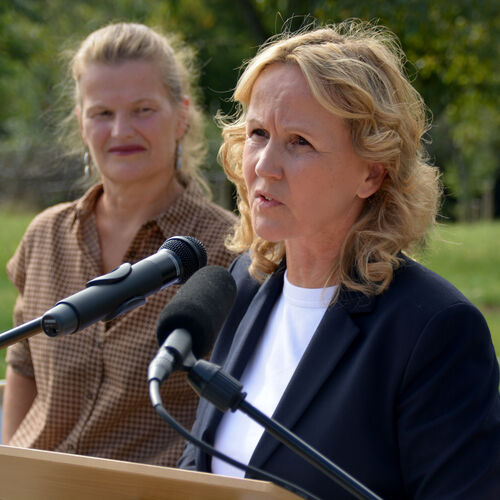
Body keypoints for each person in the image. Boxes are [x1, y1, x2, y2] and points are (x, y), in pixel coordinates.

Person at [179, 21, 500, 499]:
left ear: (371, 173)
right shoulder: (240, 288)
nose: (264, 165)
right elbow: (200, 468)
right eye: (258, 133)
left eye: (299, 142)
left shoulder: (434, 331)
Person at [2, 22, 237, 467]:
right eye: (102, 113)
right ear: (81, 122)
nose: (121, 130)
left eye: (143, 109)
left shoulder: (230, 249)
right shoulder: (44, 235)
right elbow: (24, 368)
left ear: (182, 114)